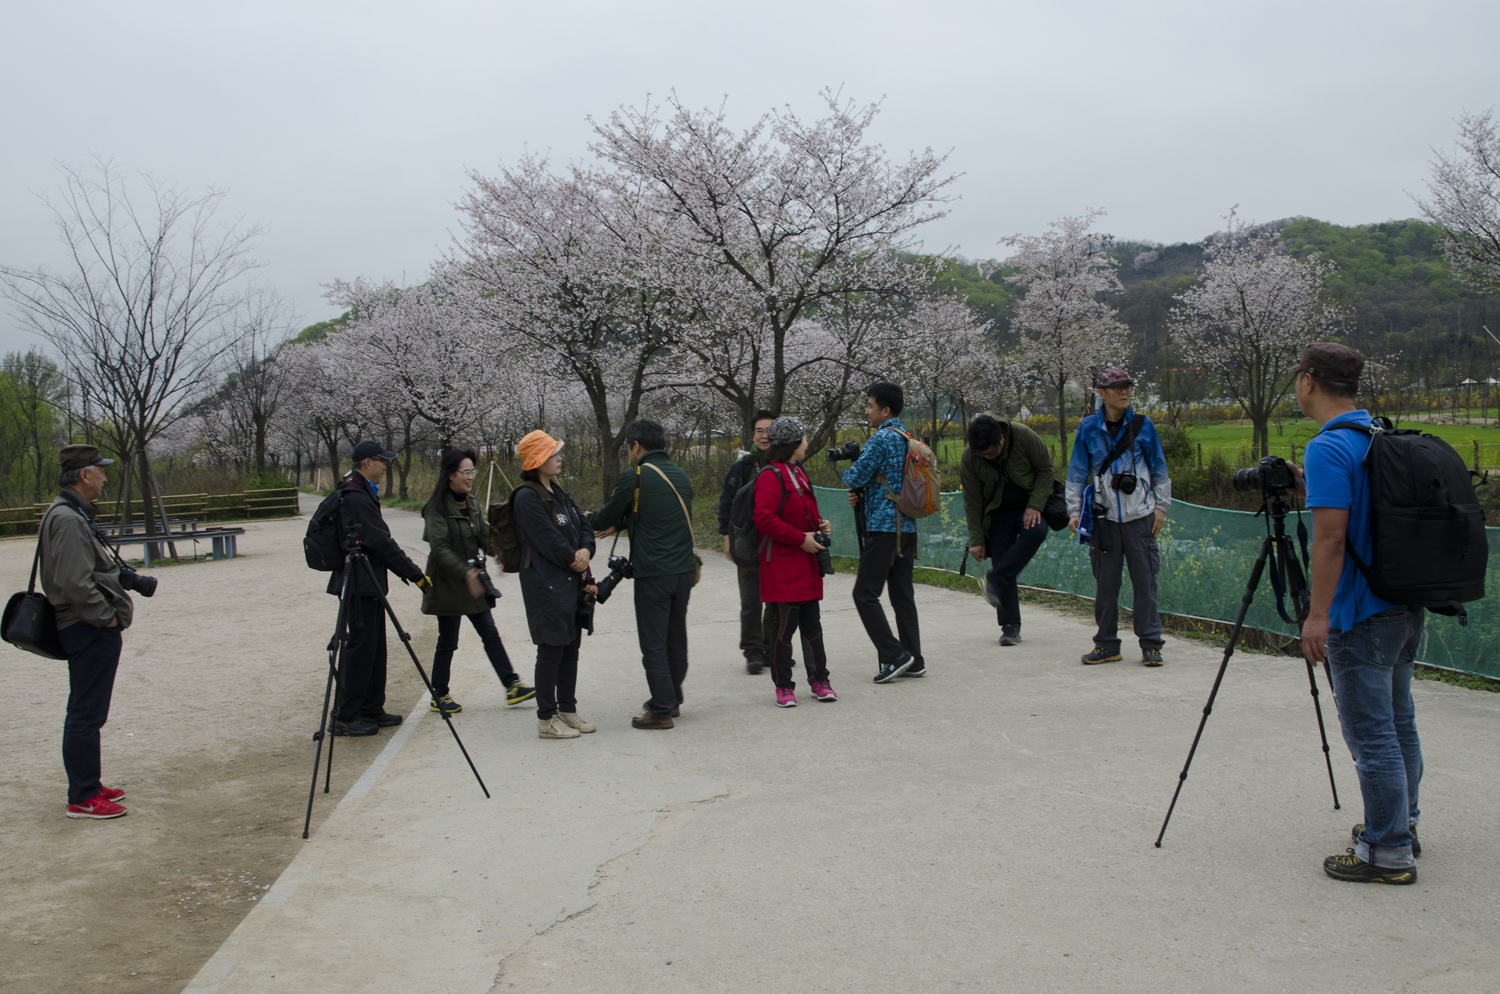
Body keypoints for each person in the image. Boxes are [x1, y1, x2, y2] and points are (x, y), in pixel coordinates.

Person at [1288, 343, 1423, 885]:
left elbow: (1331, 538)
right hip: (1403, 604)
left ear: (1309, 381)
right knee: (1399, 723)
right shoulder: (1377, 436)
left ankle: (1387, 850)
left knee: (1372, 736)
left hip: (1360, 614)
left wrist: (1317, 615)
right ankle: (1403, 823)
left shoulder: (1328, 446)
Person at [38, 445, 133, 819]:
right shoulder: (69, 518)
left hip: (83, 624)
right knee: (85, 714)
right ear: (84, 474)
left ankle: (88, 784)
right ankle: (82, 797)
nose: (104, 477)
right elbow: (74, 581)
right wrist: (104, 617)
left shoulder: (64, 512)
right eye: (100, 470)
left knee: (88, 711)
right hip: (87, 626)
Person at [592, 419, 697, 729]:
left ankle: (661, 710)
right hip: (684, 572)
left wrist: (586, 519)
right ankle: (672, 699)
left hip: (653, 574)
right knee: (675, 639)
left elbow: (606, 515)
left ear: (636, 446)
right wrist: (623, 523)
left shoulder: (635, 475)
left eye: (628, 448)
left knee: (653, 643)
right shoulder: (680, 474)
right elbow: (656, 514)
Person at [1065, 369, 1171, 666]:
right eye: (1117, 388)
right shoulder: (1088, 428)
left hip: (1140, 516)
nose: (1124, 392)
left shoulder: (1143, 425)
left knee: (1145, 583)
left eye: (1127, 387)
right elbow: (1077, 471)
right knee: (1106, 585)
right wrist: (1074, 510)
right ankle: (1106, 644)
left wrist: (1161, 507)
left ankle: (1151, 644)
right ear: (1101, 393)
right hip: (1104, 518)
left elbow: (1159, 467)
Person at [419, 447, 536, 715]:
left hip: (473, 580)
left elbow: (484, 535)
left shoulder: (470, 502)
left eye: (473, 471)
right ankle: (439, 694)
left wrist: (500, 554)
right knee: (448, 640)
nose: (471, 477)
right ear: (450, 474)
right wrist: (466, 572)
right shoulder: (436, 509)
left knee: (490, 633)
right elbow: (439, 549)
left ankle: (512, 685)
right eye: (465, 472)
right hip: (449, 582)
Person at [327, 440, 430, 737]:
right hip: (360, 585)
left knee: (374, 647)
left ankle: (371, 707)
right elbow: (381, 542)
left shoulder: (360, 492)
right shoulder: (357, 498)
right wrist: (415, 575)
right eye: (381, 461)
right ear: (367, 463)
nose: (385, 466)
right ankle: (347, 714)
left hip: (366, 583)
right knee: (361, 649)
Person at [512, 431, 598, 740]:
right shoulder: (526, 497)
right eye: (552, 454)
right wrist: (575, 559)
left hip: (570, 579)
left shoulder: (558, 489)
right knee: (551, 648)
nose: (559, 458)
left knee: (571, 647)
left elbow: (583, 523)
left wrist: (586, 550)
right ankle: (546, 718)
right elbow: (546, 538)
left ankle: (567, 708)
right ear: (537, 461)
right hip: (545, 583)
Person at [840, 381, 925, 683]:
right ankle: (914, 659)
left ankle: (895, 656)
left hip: (884, 528)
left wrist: (845, 470)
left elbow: (856, 476)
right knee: (902, 597)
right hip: (908, 527)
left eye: (870, 406)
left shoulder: (881, 438)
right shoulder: (906, 437)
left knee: (864, 594)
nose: (867, 411)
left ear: (885, 410)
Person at [753, 417, 835, 707]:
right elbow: (764, 518)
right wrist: (800, 538)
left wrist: (820, 524)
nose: (807, 443)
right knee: (784, 628)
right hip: (785, 566)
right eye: (804, 439)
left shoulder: (797, 471)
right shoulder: (770, 476)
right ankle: (784, 686)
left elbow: (802, 510)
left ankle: (820, 680)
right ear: (792, 444)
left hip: (806, 564)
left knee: (813, 626)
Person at [961, 411, 1056, 647]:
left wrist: (1035, 505)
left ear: (1001, 438)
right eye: (984, 455)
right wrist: (977, 539)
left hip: (1027, 504)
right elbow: (972, 499)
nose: (988, 457)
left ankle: (995, 580)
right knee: (1002, 559)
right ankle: (1010, 626)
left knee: (1037, 531)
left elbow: (1046, 469)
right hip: (998, 512)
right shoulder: (970, 456)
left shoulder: (1023, 435)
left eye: (992, 453)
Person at [718, 409, 777, 674]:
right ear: (752, 435)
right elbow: (727, 503)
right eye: (759, 431)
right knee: (751, 599)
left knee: (777, 599)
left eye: (769, 431)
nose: (764, 436)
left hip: (778, 542)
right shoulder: (741, 467)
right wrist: (727, 537)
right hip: (748, 542)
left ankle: (771, 648)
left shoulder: (787, 464)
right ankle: (753, 651)